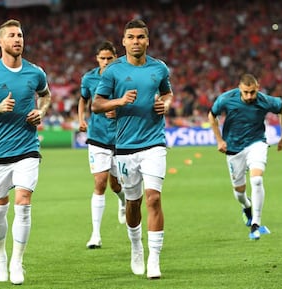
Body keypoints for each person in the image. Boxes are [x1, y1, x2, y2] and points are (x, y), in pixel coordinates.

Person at [0, 19, 51, 285]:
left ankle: (17, 261)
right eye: (12, 36)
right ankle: (1, 257)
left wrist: (42, 111)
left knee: (24, 203)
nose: (18, 39)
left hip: (27, 149)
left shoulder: (35, 72)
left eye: (21, 35)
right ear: (1, 42)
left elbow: (45, 95)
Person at [92, 19, 173, 279]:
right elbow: (97, 104)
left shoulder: (159, 68)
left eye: (141, 37)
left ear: (147, 40)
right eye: (131, 37)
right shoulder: (113, 71)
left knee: (154, 198)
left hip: (154, 143)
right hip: (126, 146)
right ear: (124, 41)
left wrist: (167, 103)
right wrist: (120, 101)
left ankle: (154, 260)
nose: (136, 41)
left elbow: (168, 93)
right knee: (133, 203)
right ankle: (136, 247)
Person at [208, 73, 282, 240]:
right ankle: (247, 206)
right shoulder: (226, 99)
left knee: (257, 180)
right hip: (233, 148)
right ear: (240, 89)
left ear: (257, 88)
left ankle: (255, 224)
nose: (250, 96)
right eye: (246, 92)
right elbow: (211, 115)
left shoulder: (265, 100)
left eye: (252, 92)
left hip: (256, 143)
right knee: (239, 192)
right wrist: (219, 140)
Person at [78, 41, 126, 249]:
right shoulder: (89, 78)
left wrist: (119, 109)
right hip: (97, 136)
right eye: (102, 58)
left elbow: (135, 100)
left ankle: (123, 201)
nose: (106, 62)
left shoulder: (124, 75)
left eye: (109, 58)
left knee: (116, 185)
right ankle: (95, 235)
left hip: (122, 137)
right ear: (97, 59)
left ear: (116, 57)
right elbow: (83, 99)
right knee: (100, 183)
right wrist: (81, 118)